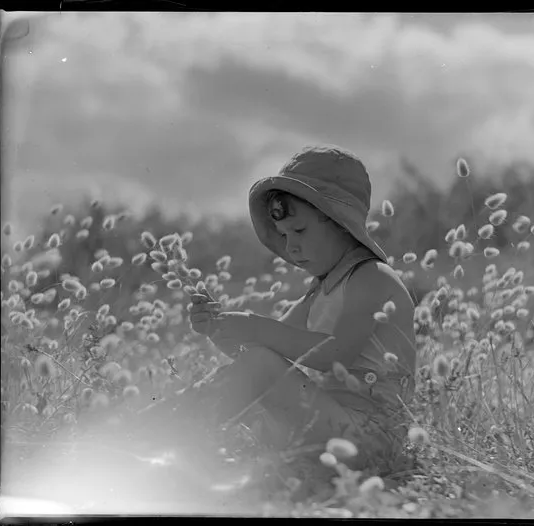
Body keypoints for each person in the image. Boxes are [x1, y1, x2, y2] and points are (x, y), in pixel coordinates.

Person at [139, 145, 417, 473]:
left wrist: (256, 326)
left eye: (299, 231)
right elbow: (265, 354)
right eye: (284, 235)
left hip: (371, 438)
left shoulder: (372, 277)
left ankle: (158, 438)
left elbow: (334, 355)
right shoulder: (321, 289)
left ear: (342, 225)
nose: (291, 245)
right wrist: (219, 329)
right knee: (256, 368)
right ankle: (153, 434)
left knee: (259, 369)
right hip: (331, 424)